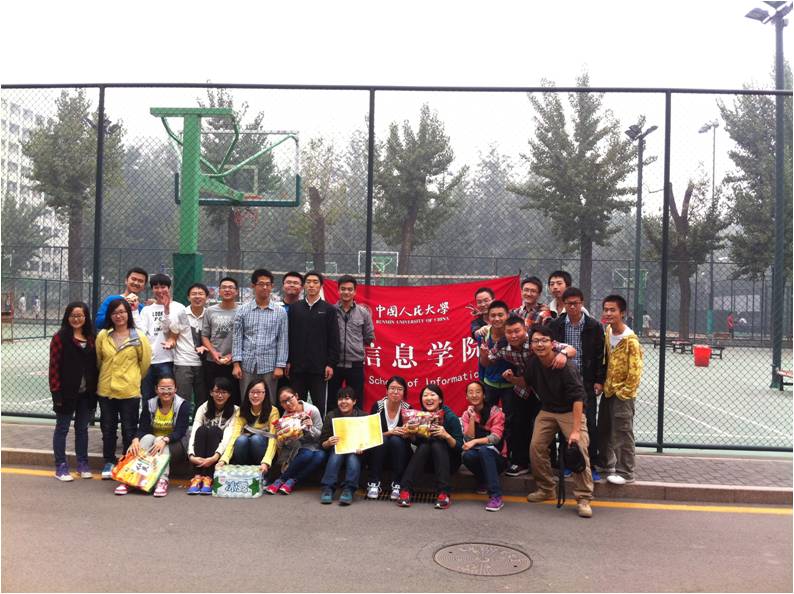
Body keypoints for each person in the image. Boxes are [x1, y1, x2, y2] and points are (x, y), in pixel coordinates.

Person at [480, 315, 575, 477]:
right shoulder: (502, 345)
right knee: (518, 425)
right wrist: (484, 354)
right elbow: (487, 361)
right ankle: (521, 462)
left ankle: (550, 463)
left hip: (544, 390)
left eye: (517, 331)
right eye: (509, 332)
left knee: (545, 426)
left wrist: (563, 354)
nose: (513, 335)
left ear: (525, 330)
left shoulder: (535, 341)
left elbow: (571, 349)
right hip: (522, 387)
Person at [523, 324, 594, 518]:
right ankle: (547, 488)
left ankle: (584, 498)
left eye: (544, 340)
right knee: (536, 447)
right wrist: (511, 379)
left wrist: (576, 431)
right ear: (531, 345)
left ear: (552, 343)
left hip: (571, 411)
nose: (540, 344)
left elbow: (578, 398)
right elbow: (526, 382)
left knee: (578, 448)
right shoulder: (533, 363)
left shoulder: (566, 366)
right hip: (548, 410)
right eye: (536, 341)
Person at [548, 287, 606, 480]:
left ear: (582, 303)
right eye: (569, 304)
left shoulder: (593, 326)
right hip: (563, 382)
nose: (572, 307)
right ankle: (566, 463)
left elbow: (600, 356)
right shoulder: (556, 325)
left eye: (576, 303)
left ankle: (592, 464)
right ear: (563, 305)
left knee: (589, 423)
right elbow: (550, 350)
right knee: (565, 424)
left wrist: (599, 380)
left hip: (585, 382)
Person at [96, 298, 152, 480]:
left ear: (128, 313)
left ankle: (127, 462)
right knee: (108, 428)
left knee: (129, 429)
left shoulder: (138, 337)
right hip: (106, 391)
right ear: (110, 316)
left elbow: (144, 364)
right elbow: (99, 360)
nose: (118, 316)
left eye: (122, 312)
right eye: (114, 313)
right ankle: (109, 461)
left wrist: (132, 378)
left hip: (129, 391)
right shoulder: (103, 335)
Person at [115, 375, 190, 497]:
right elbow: (143, 428)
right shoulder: (150, 404)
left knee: (160, 441)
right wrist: (135, 439)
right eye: (162, 388)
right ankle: (129, 479)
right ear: (156, 389)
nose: (166, 392)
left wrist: (165, 439)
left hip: (176, 445)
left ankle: (162, 480)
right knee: (146, 438)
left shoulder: (183, 405)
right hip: (154, 444)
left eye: (169, 388)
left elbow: (180, 432)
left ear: (175, 389)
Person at [49, 302, 98, 481]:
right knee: (62, 428)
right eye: (73, 316)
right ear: (67, 317)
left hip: (87, 393)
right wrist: (56, 392)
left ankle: (82, 463)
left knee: (82, 429)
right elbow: (54, 367)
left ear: (86, 317)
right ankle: (61, 466)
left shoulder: (92, 337)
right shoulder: (60, 338)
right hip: (66, 392)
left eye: (80, 315)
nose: (76, 319)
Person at [598, 294, 643, 486]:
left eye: (613, 310)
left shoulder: (630, 340)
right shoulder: (608, 331)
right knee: (604, 429)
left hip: (622, 395)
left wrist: (625, 392)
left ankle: (626, 472)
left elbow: (635, 370)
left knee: (622, 432)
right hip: (608, 391)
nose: (608, 313)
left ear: (622, 313)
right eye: (606, 310)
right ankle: (606, 464)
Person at [397, 384, 463, 510]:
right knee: (426, 445)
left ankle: (444, 493)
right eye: (425, 395)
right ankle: (405, 490)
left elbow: (460, 447)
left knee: (437, 443)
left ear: (440, 399)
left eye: (432, 395)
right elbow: (417, 442)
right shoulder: (419, 417)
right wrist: (411, 435)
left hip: (449, 462)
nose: (428, 398)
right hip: (427, 462)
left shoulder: (450, 417)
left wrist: (446, 436)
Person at [232, 268, 288, 406]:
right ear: (253, 286)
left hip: (270, 365)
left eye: (268, 284)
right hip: (247, 364)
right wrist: (236, 364)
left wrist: (280, 365)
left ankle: (269, 421)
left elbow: (282, 340)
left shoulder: (280, 312)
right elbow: (237, 339)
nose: (265, 287)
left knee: (270, 401)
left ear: (272, 286)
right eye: (261, 284)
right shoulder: (242, 310)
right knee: (247, 399)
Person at [286, 271, 339, 416]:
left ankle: (318, 430)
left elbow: (334, 338)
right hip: (297, 368)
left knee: (319, 406)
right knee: (296, 405)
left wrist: (330, 364)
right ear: (304, 286)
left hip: (319, 369)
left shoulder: (329, 309)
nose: (311, 285)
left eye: (315, 282)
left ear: (321, 286)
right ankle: (296, 430)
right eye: (308, 282)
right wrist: (288, 360)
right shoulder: (295, 308)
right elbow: (289, 335)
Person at [265, 386, 324, 495]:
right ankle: (288, 481)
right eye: (283, 402)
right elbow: (284, 444)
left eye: (289, 399)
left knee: (320, 456)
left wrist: (310, 427)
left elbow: (320, 436)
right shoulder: (285, 418)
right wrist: (283, 434)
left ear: (296, 396)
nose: (288, 403)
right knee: (307, 454)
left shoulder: (312, 410)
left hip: (314, 444)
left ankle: (286, 480)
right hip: (297, 447)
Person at [186, 377, 240, 495]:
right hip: (201, 453)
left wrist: (215, 457)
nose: (220, 395)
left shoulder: (236, 411)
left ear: (229, 394)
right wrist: (191, 455)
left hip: (221, 454)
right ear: (211, 392)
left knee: (214, 430)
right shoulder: (203, 408)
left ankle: (209, 478)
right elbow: (194, 432)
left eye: (224, 392)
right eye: (217, 392)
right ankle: (197, 477)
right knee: (201, 430)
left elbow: (228, 437)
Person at [328, 275, 375, 410]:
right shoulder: (331, 311)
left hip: (355, 363)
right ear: (338, 291)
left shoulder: (363, 313)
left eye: (350, 289)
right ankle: (331, 423)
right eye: (343, 289)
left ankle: (356, 423)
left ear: (355, 292)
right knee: (332, 400)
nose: (346, 292)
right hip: (334, 363)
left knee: (356, 400)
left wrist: (355, 345)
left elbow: (369, 336)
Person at [461, 380, 508, 512]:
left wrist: (475, 442)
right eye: (470, 392)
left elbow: (495, 438)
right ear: (466, 396)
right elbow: (468, 439)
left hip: (498, 459)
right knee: (467, 456)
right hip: (479, 455)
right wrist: (472, 418)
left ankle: (496, 496)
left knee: (484, 450)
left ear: (484, 395)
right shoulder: (466, 414)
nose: (474, 395)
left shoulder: (495, 412)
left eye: (478, 392)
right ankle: (483, 480)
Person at [365, 376, 413, 501]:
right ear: (386, 391)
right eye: (392, 388)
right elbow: (372, 434)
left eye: (399, 389)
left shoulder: (408, 409)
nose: (395, 392)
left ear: (404, 392)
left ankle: (397, 484)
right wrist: (390, 432)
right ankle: (374, 482)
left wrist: (407, 434)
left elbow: (411, 438)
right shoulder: (378, 406)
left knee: (396, 440)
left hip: (400, 452)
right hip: (378, 451)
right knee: (383, 439)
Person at [217, 380, 279, 474]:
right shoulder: (242, 411)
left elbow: (273, 439)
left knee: (256, 439)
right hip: (245, 454)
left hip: (263, 455)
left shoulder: (273, 411)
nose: (255, 395)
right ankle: (242, 471)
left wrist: (266, 462)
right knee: (241, 440)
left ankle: (263, 473)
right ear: (247, 394)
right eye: (252, 392)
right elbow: (234, 436)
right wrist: (223, 460)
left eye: (259, 392)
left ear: (265, 393)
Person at [140, 273, 185, 401]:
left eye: (163, 287)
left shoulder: (180, 308)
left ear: (169, 288)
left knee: (167, 398)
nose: (160, 290)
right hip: (149, 361)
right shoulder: (146, 310)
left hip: (169, 360)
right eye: (156, 287)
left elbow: (183, 331)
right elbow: (142, 333)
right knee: (147, 398)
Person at [319, 386, 365, 505]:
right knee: (336, 454)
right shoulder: (331, 415)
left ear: (354, 401)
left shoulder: (363, 416)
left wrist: (363, 447)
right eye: (340, 399)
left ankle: (349, 489)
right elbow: (322, 443)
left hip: (356, 451)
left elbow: (369, 440)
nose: (343, 402)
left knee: (352, 456)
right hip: (336, 449)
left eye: (347, 398)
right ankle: (327, 488)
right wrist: (328, 442)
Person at [202, 277, 241, 407]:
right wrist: (213, 352)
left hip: (234, 362)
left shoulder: (242, 311)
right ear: (219, 291)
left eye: (231, 287)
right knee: (213, 394)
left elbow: (245, 337)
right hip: (213, 361)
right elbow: (205, 336)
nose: (227, 290)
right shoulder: (210, 311)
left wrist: (233, 355)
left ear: (236, 291)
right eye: (224, 287)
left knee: (233, 396)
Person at [172, 282, 209, 411]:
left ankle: (199, 424)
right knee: (182, 399)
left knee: (203, 400)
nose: (197, 296)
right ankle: (181, 424)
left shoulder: (210, 314)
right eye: (194, 294)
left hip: (204, 363)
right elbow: (173, 335)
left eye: (201, 294)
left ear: (206, 297)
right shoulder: (181, 314)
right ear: (188, 297)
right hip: (183, 362)